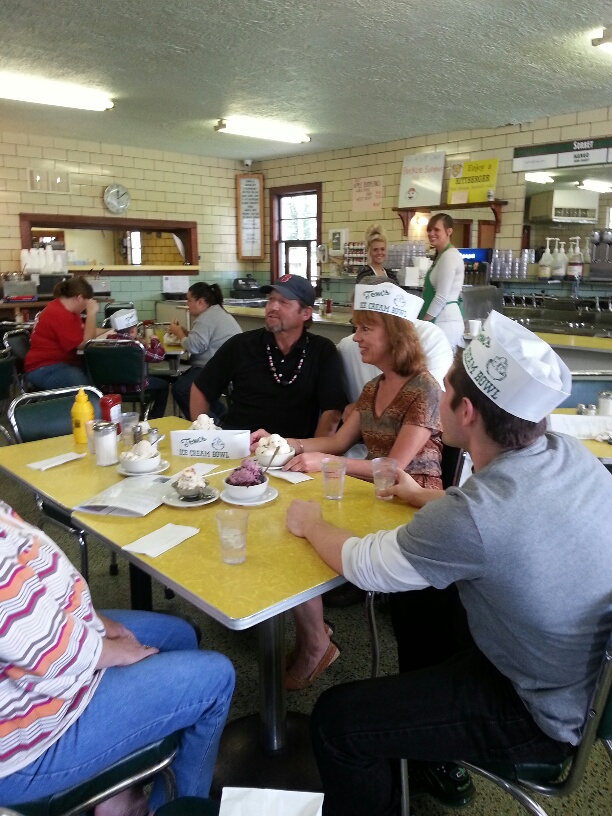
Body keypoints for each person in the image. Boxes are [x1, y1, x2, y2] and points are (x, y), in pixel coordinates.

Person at [285, 311, 612, 816]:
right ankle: (422, 749)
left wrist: (309, 522)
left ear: (465, 414)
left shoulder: (477, 515)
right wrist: (420, 496)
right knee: (423, 600)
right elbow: (495, 522)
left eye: (447, 390)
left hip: (538, 713)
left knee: (336, 720)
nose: (437, 396)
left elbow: (364, 563)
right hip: (584, 677)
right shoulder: (564, 452)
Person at [254, 281, 443, 691]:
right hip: (370, 494)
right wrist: (290, 443)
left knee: (301, 534)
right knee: (288, 525)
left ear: (394, 333)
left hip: (411, 502)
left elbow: (394, 466)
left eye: (364, 328)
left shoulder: (425, 389)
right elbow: (339, 442)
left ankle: (315, 643)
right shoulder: (373, 387)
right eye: (355, 328)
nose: (354, 338)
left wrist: (328, 462)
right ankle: (314, 639)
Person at [0, 500, 235, 813]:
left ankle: (122, 787)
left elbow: (28, 589)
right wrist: (109, 651)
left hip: (41, 657)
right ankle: (174, 807)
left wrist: (90, 616)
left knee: (178, 637)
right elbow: (40, 642)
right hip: (23, 745)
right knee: (217, 677)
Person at [189, 274, 347, 438]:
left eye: (283, 302)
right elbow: (201, 389)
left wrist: (314, 454)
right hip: (240, 448)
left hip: (292, 452)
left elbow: (332, 411)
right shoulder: (241, 345)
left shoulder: (322, 351)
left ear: (306, 313)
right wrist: (205, 438)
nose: (273, 307)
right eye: (271, 299)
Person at [167, 282, 241, 421]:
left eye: (189, 300)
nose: (187, 304)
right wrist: (184, 333)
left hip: (218, 367)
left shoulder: (206, 318)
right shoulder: (215, 312)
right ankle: (220, 416)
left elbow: (194, 347)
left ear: (200, 302)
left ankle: (209, 425)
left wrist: (178, 333)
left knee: (182, 389)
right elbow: (203, 340)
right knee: (198, 390)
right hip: (227, 365)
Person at [24, 276, 107, 389]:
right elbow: (84, 344)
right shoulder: (59, 314)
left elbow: (85, 333)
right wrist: (91, 314)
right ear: (80, 297)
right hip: (44, 368)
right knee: (86, 391)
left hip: (58, 365)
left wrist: (111, 330)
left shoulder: (69, 311)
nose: (87, 306)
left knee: (100, 374)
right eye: (87, 302)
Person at [103, 308, 170, 419]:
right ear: (133, 331)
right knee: (164, 385)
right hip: (136, 387)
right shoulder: (136, 347)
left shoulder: (105, 344)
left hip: (109, 388)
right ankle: (154, 418)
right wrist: (155, 340)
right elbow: (159, 356)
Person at [419, 213, 465, 350]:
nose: (431, 233)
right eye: (429, 229)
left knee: (441, 368)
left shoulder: (449, 256)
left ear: (449, 231)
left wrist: (423, 325)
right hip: (443, 319)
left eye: (436, 230)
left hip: (446, 321)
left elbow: (441, 297)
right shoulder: (442, 255)